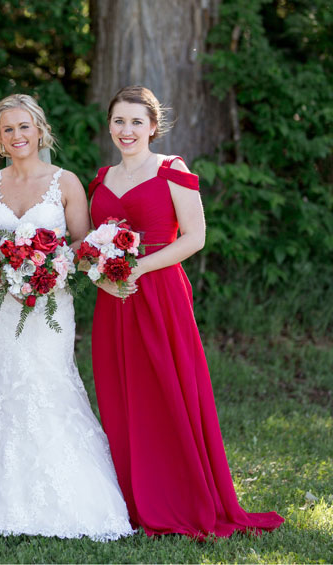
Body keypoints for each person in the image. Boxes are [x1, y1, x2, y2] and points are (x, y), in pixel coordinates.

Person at [89, 85, 285, 538]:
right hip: (114, 300)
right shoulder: (100, 180)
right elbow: (90, 244)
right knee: (123, 395)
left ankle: (180, 496)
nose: (127, 130)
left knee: (170, 390)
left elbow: (194, 237)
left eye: (137, 121)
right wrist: (100, 273)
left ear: (153, 127)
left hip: (159, 293)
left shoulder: (172, 170)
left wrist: (138, 267)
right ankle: (134, 499)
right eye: (119, 121)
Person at [0, 94, 135, 541]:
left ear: (40, 130)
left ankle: (72, 499)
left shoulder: (66, 182)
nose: (18, 136)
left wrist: (49, 265)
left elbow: (82, 245)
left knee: (50, 382)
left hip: (51, 305)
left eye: (25, 127)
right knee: (3, 384)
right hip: (1, 305)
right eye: (8, 129)